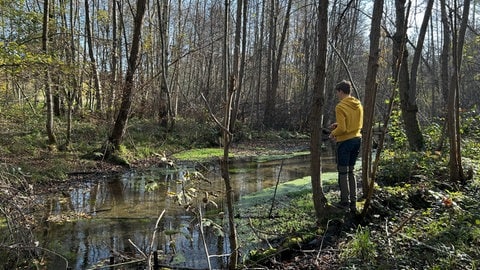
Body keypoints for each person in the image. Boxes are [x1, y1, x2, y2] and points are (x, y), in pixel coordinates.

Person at [329, 80, 363, 213]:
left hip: (345, 142)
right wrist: (338, 125)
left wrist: (333, 133)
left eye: (337, 92)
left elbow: (343, 129)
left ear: (341, 91)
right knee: (351, 171)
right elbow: (354, 123)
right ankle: (353, 201)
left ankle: (344, 202)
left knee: (343, 172)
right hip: (357, 139)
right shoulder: (358, 104)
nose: (337, 95)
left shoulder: (340, 106)